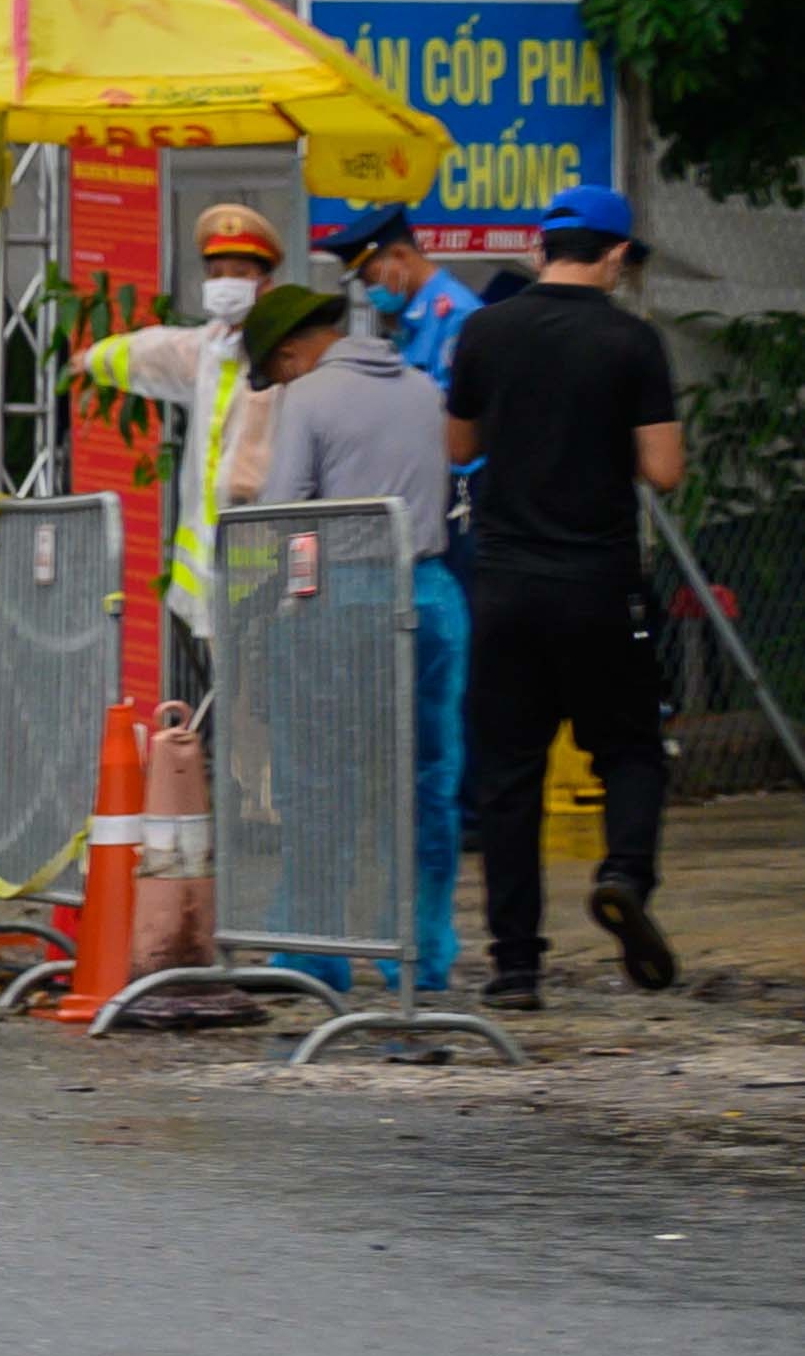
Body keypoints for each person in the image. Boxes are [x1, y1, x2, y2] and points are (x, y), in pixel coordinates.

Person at [448, 182, 685, 1007]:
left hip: (505, 586)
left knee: (508, 777)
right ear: (614, 253)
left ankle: (515, 968)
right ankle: (622, 872)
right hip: (598, 585)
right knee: (626, 749)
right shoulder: (631, 342)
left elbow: (458, 443)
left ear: (545, 247)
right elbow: (663, 469)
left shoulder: (482, 330)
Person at [235, 280, 468, 996]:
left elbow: (280, 509)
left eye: (271, 375)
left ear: (288, 355)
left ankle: (313, 952)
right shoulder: (423, 387)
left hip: (338, 599)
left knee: (320, 781)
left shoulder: (306, 397)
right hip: (429, 596)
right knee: (425, 782)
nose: (275, 388)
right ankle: (420, 956)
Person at [77, 196, 287, 708]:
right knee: (238, 699)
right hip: (213, 568)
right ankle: (243, 786)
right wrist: (91, 359)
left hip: (269, 565)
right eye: (216, 271)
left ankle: (256, 789)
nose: (224, 282)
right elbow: (153, 349)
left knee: (266, 700)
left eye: (239, 271)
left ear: (266, 285)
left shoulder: (284, 349)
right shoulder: (209, 348)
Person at [320, 201, 478, 390]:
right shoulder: (410, 320)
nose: (371, 291)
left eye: (372, 279)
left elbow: (458, 403)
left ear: (400, 256)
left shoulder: (457, 315)